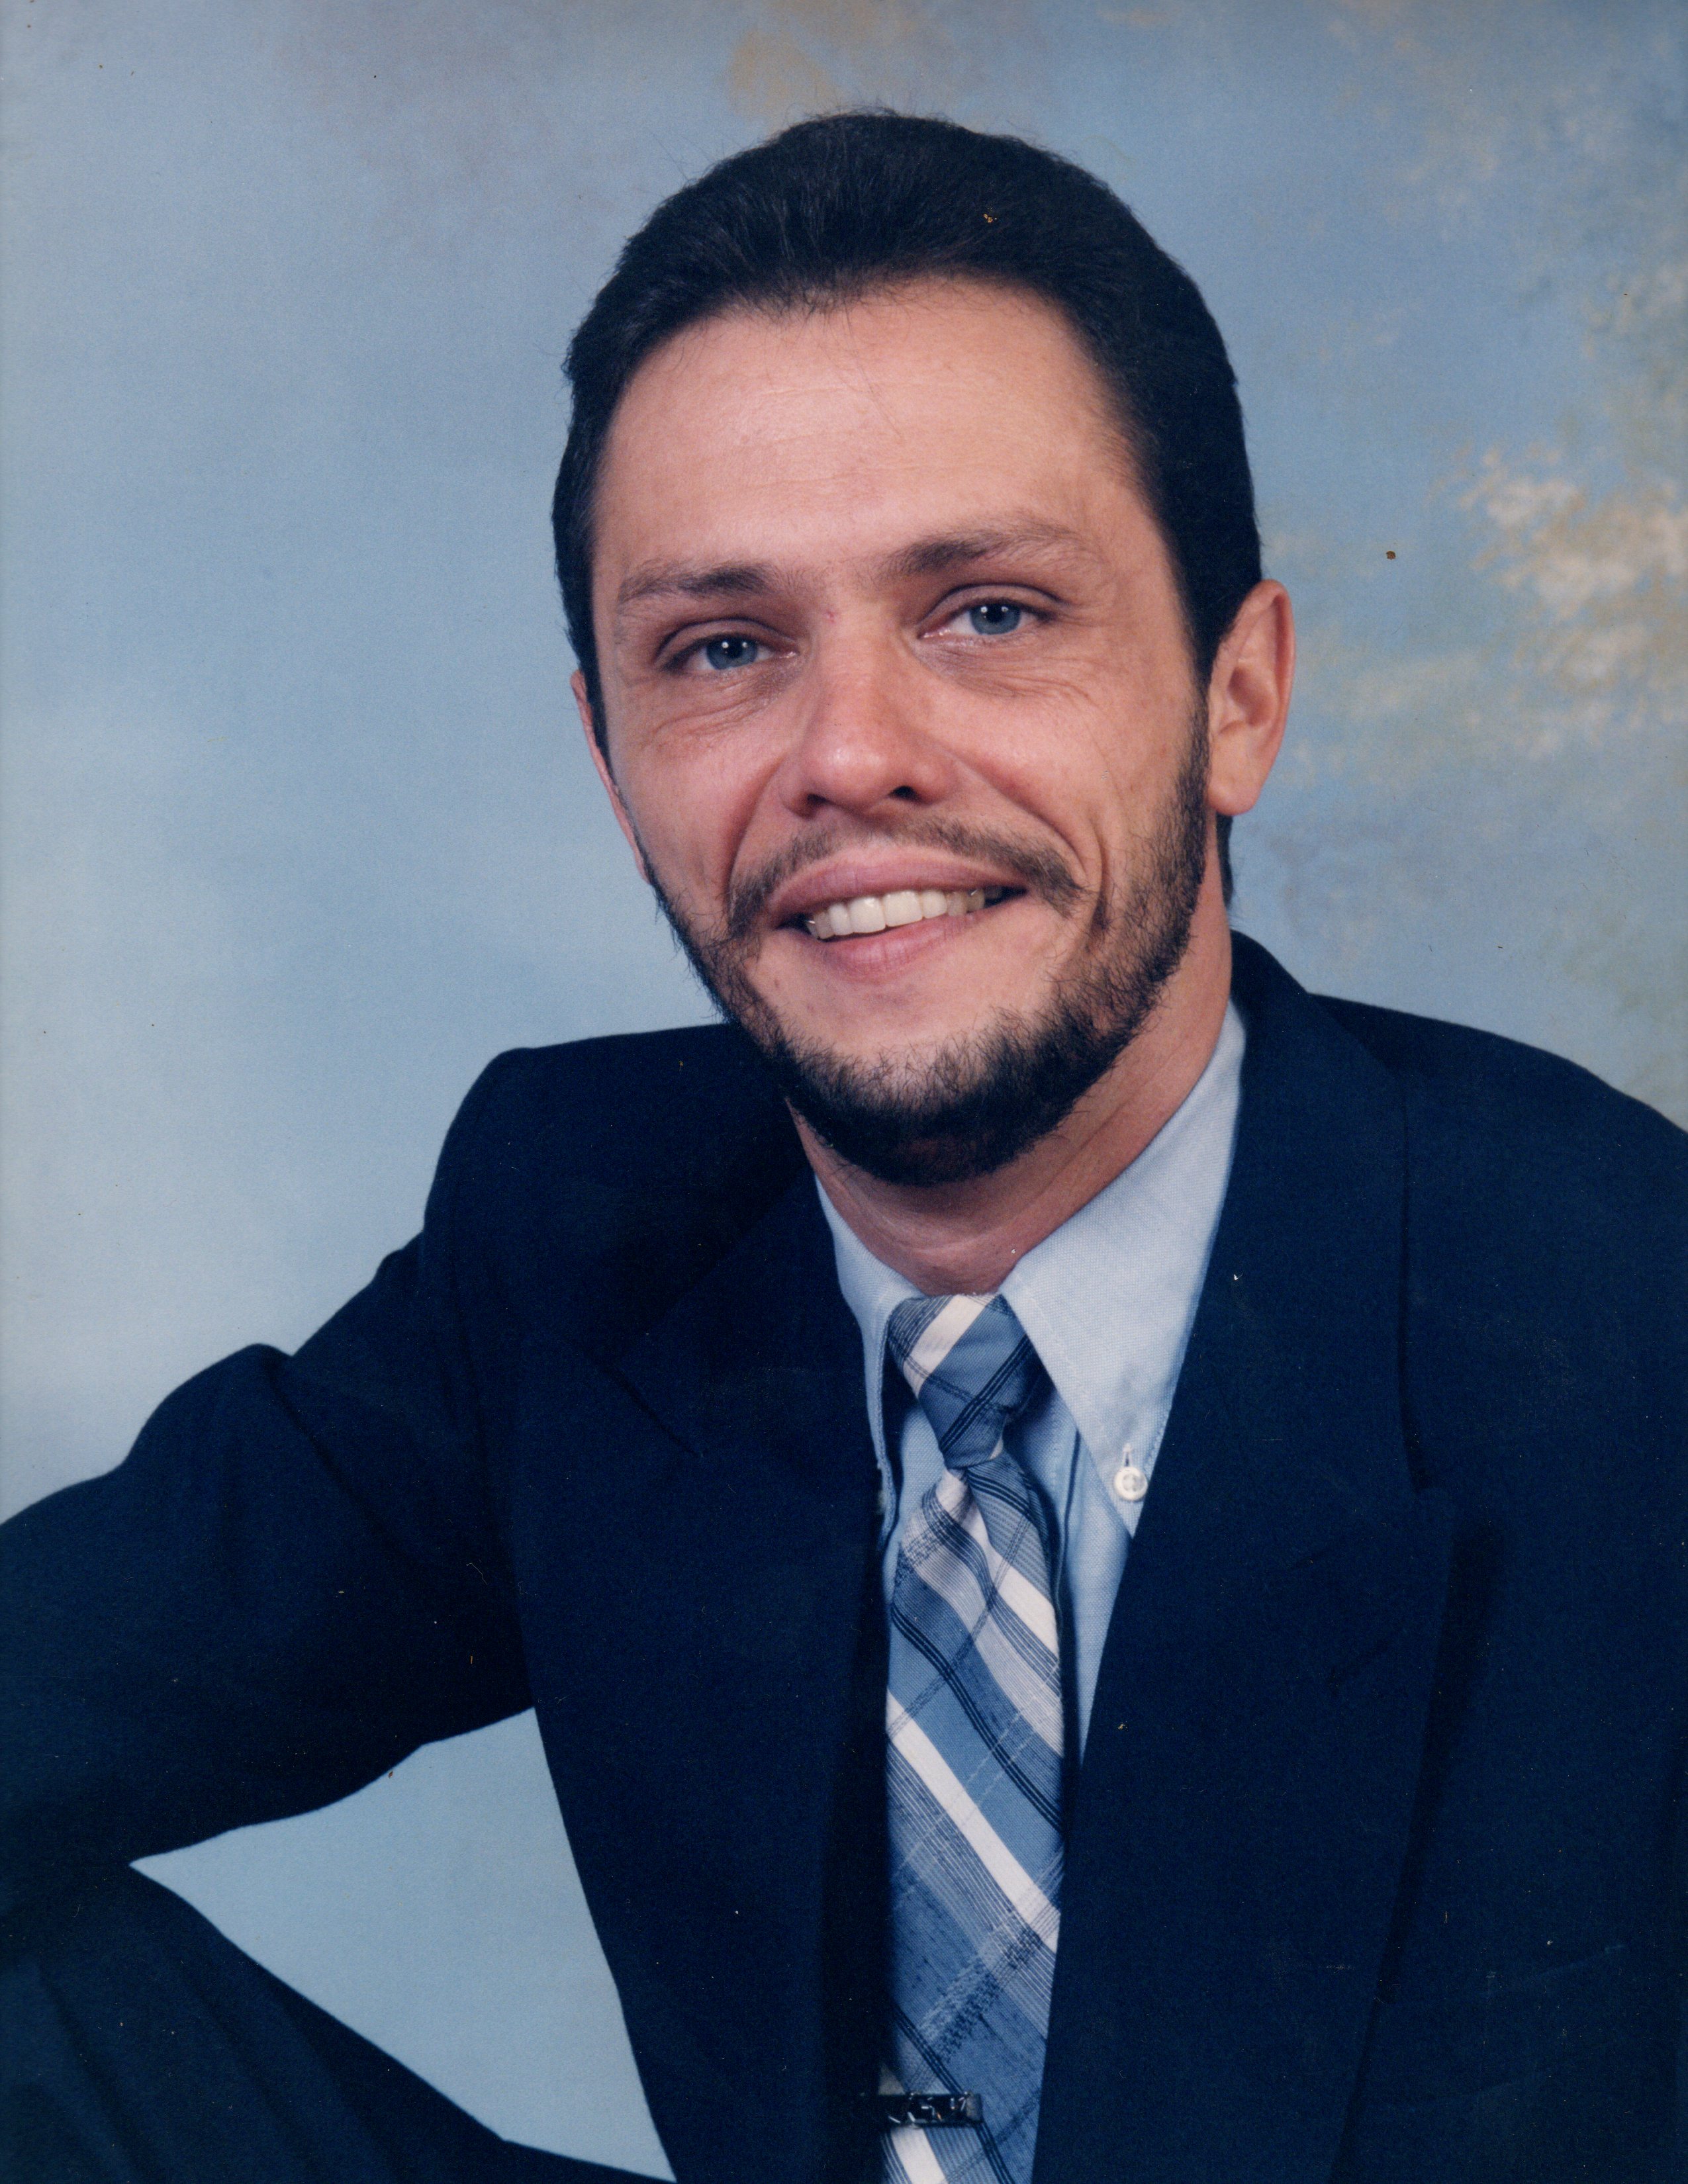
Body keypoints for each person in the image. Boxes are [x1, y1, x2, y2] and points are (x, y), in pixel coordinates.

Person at [2, 110, 1683, 2184]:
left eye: (990, 611)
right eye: (724, 649)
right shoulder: (580, 1221)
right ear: (611, 759)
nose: (851, 754)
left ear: (1238, 696)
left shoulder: (1629, 1318)